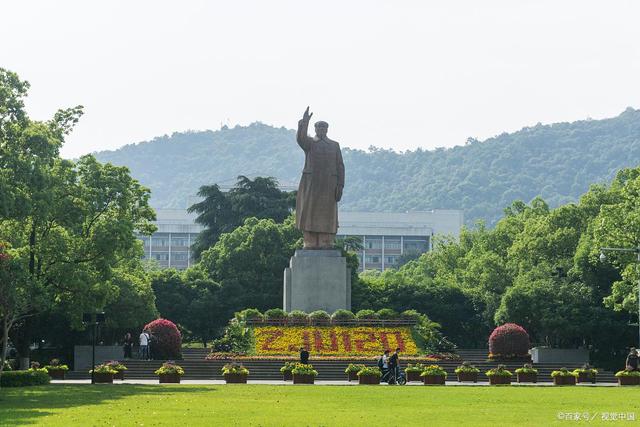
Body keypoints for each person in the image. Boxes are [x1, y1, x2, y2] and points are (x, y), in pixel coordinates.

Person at [295, 106, 345, 249]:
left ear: (327, 130)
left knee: (327, 213)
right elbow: (301, 139)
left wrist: (340, 185)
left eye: (324, 129)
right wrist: (304, 123)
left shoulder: (334, 146)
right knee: (309, 210)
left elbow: (340, 165)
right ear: (315, 130)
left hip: (329, 185)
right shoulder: (310, 143)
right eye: (319, 129)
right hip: (312, 184)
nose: (321, 131)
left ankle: (326, 240)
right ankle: (309, 240)